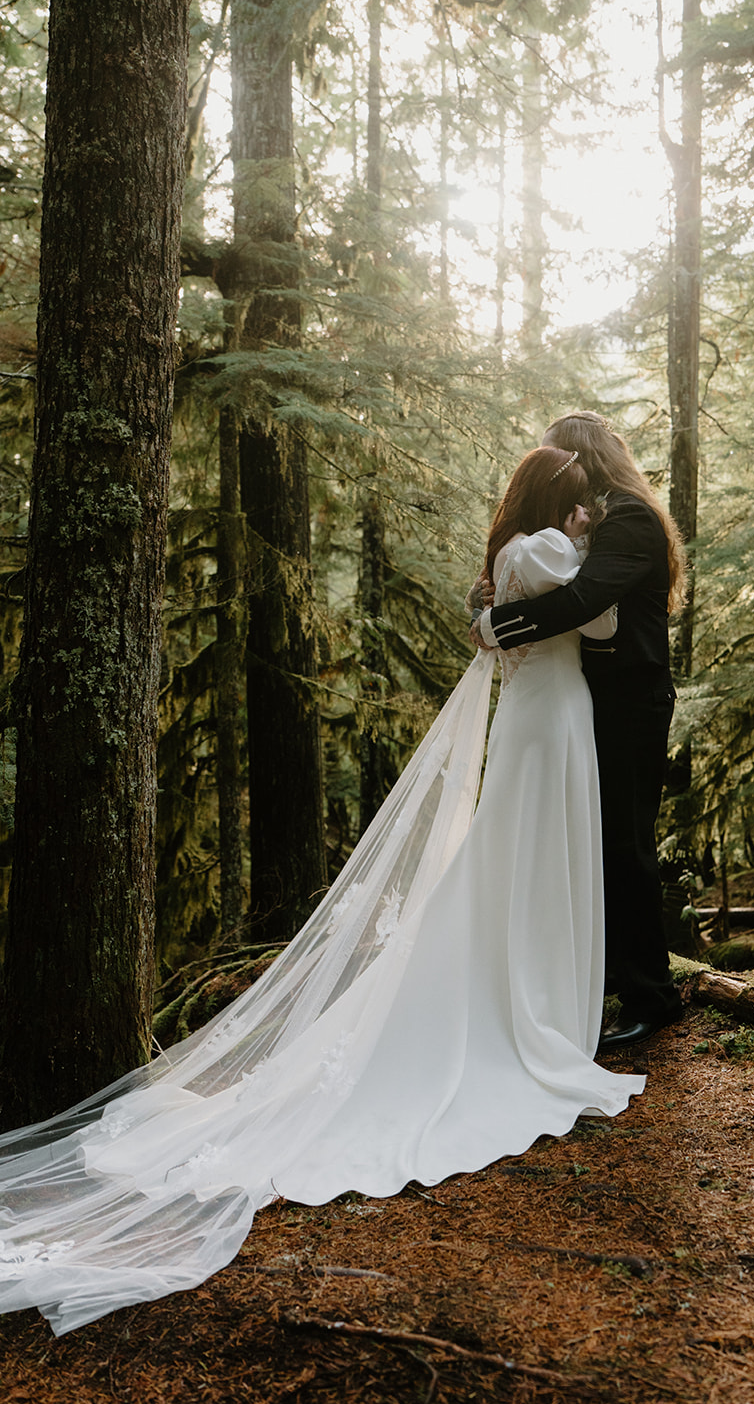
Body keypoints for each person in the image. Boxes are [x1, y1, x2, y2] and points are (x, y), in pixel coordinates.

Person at [0, 446, 643, 1337]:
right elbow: (600, 618)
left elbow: (575, 624)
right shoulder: (535, 550)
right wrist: (584, 550)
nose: (583, 515)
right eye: (576, 502)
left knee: (533, 858)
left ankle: (531, 995)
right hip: (547, 718)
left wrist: (553, 588)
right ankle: (526, 1010)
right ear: (553, 501)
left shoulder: (526, 557)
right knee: (526, 856)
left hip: (554, 712)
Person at [475, 412, 687, 1051]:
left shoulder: (630, 518)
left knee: (624, 844)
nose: (559, 478)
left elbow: (581, 603)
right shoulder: (595, 521)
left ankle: (653, 995)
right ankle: (599, 980)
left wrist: (495, 628)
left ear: (584, 458)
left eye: (561, 462)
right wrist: (493, 594)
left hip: (632, 703)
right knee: (593, 842)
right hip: (595, 699)